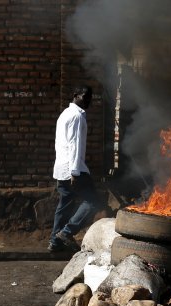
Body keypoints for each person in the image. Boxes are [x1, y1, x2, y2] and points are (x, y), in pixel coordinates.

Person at [48, 85, 100, 253]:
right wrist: (75, 172)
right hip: (73, 169)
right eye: (84, 96)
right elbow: (74, 145)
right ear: (75, 95)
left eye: (89, 97)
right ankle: (66, 232)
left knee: (64, 205)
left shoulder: (65, 114)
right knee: (93, 202)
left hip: (61, 167)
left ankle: (54, 243)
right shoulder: (77, 116)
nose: (87, 100)